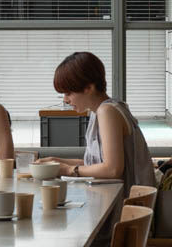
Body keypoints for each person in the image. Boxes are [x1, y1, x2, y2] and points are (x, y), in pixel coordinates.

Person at [53, 51, 157, 188]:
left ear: (89, 88)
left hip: (126, 203)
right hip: (121, 198)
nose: (65, 100)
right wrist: (56, 162)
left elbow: (112, 169)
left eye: (68, 93)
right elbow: (97, 166)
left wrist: (68, 170)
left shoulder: (107, 111)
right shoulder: (103, 110)